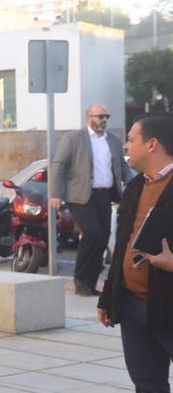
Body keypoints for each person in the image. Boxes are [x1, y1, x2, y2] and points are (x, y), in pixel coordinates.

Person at [97, 113, 173, 393]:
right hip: (133, 305)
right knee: (149, 386)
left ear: (152, 144)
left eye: (131, 138)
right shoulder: (133, 187)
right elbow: (123, 245)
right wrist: (109, 296)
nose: (125, 145)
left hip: (169, 305)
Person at [51, 104, 128, 296]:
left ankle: (90, 283)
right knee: (92, 233)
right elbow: (58, 166)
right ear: (89, 118)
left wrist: (137, 183)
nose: (104, 120)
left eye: (106, 116)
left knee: (102, 238)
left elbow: (123, 166)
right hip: (80, 196)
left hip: (105, 195)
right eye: (100, 116)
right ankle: (80, 279)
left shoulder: (113, 140)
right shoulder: (73, 138)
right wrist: (55, 194)